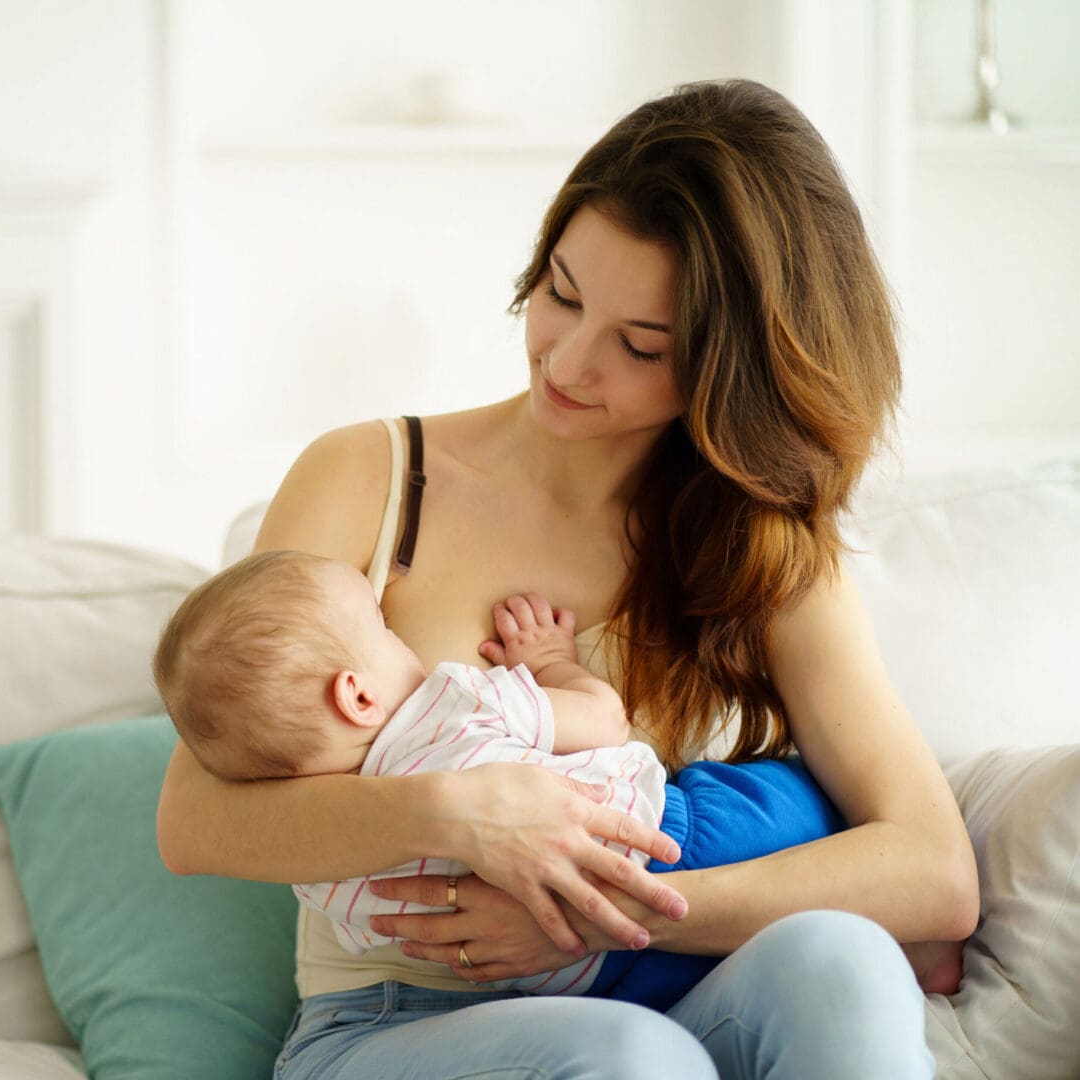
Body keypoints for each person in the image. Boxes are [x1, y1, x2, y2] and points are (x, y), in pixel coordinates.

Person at [156, 78, 979, 1079]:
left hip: (649, 988)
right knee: (630, 1062)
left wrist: (602, 914)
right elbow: (195, 821)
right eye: (562, 293)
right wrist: (468, 813)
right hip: (388, 1024)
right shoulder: (372, 477)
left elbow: (933, 871)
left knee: (843, 962)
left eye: (640, 346)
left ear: (734, 369)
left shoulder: (756, 543)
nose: (568, 363)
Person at [154, 549, 860, 1007]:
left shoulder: (323, 876)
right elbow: (605, 719)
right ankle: (904, 943)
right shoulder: (456, 700)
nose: (403, 638)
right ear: (358, 695)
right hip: (671, 835)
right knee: (812, 804)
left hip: (582, 978)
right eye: (383, 627)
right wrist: (550, 660)